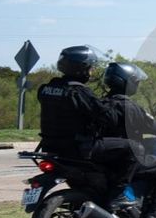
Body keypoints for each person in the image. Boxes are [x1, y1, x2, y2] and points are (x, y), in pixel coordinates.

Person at [37, 46, 137, 198]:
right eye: (90, 68)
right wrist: (114, 104)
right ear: (81, 69)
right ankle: (118, 195)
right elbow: (106, 116)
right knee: (132, 148)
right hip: (79, 148)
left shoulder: (46, 88)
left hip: (51, 146)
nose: (91, 72)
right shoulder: (78, 91)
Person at [101, 62, 156, 218]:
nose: (137, 85)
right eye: (135, 81)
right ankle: (152, 216)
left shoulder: (101, 104)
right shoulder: (130, 107)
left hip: (103, 157)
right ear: (127, 83)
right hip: (126, 160)